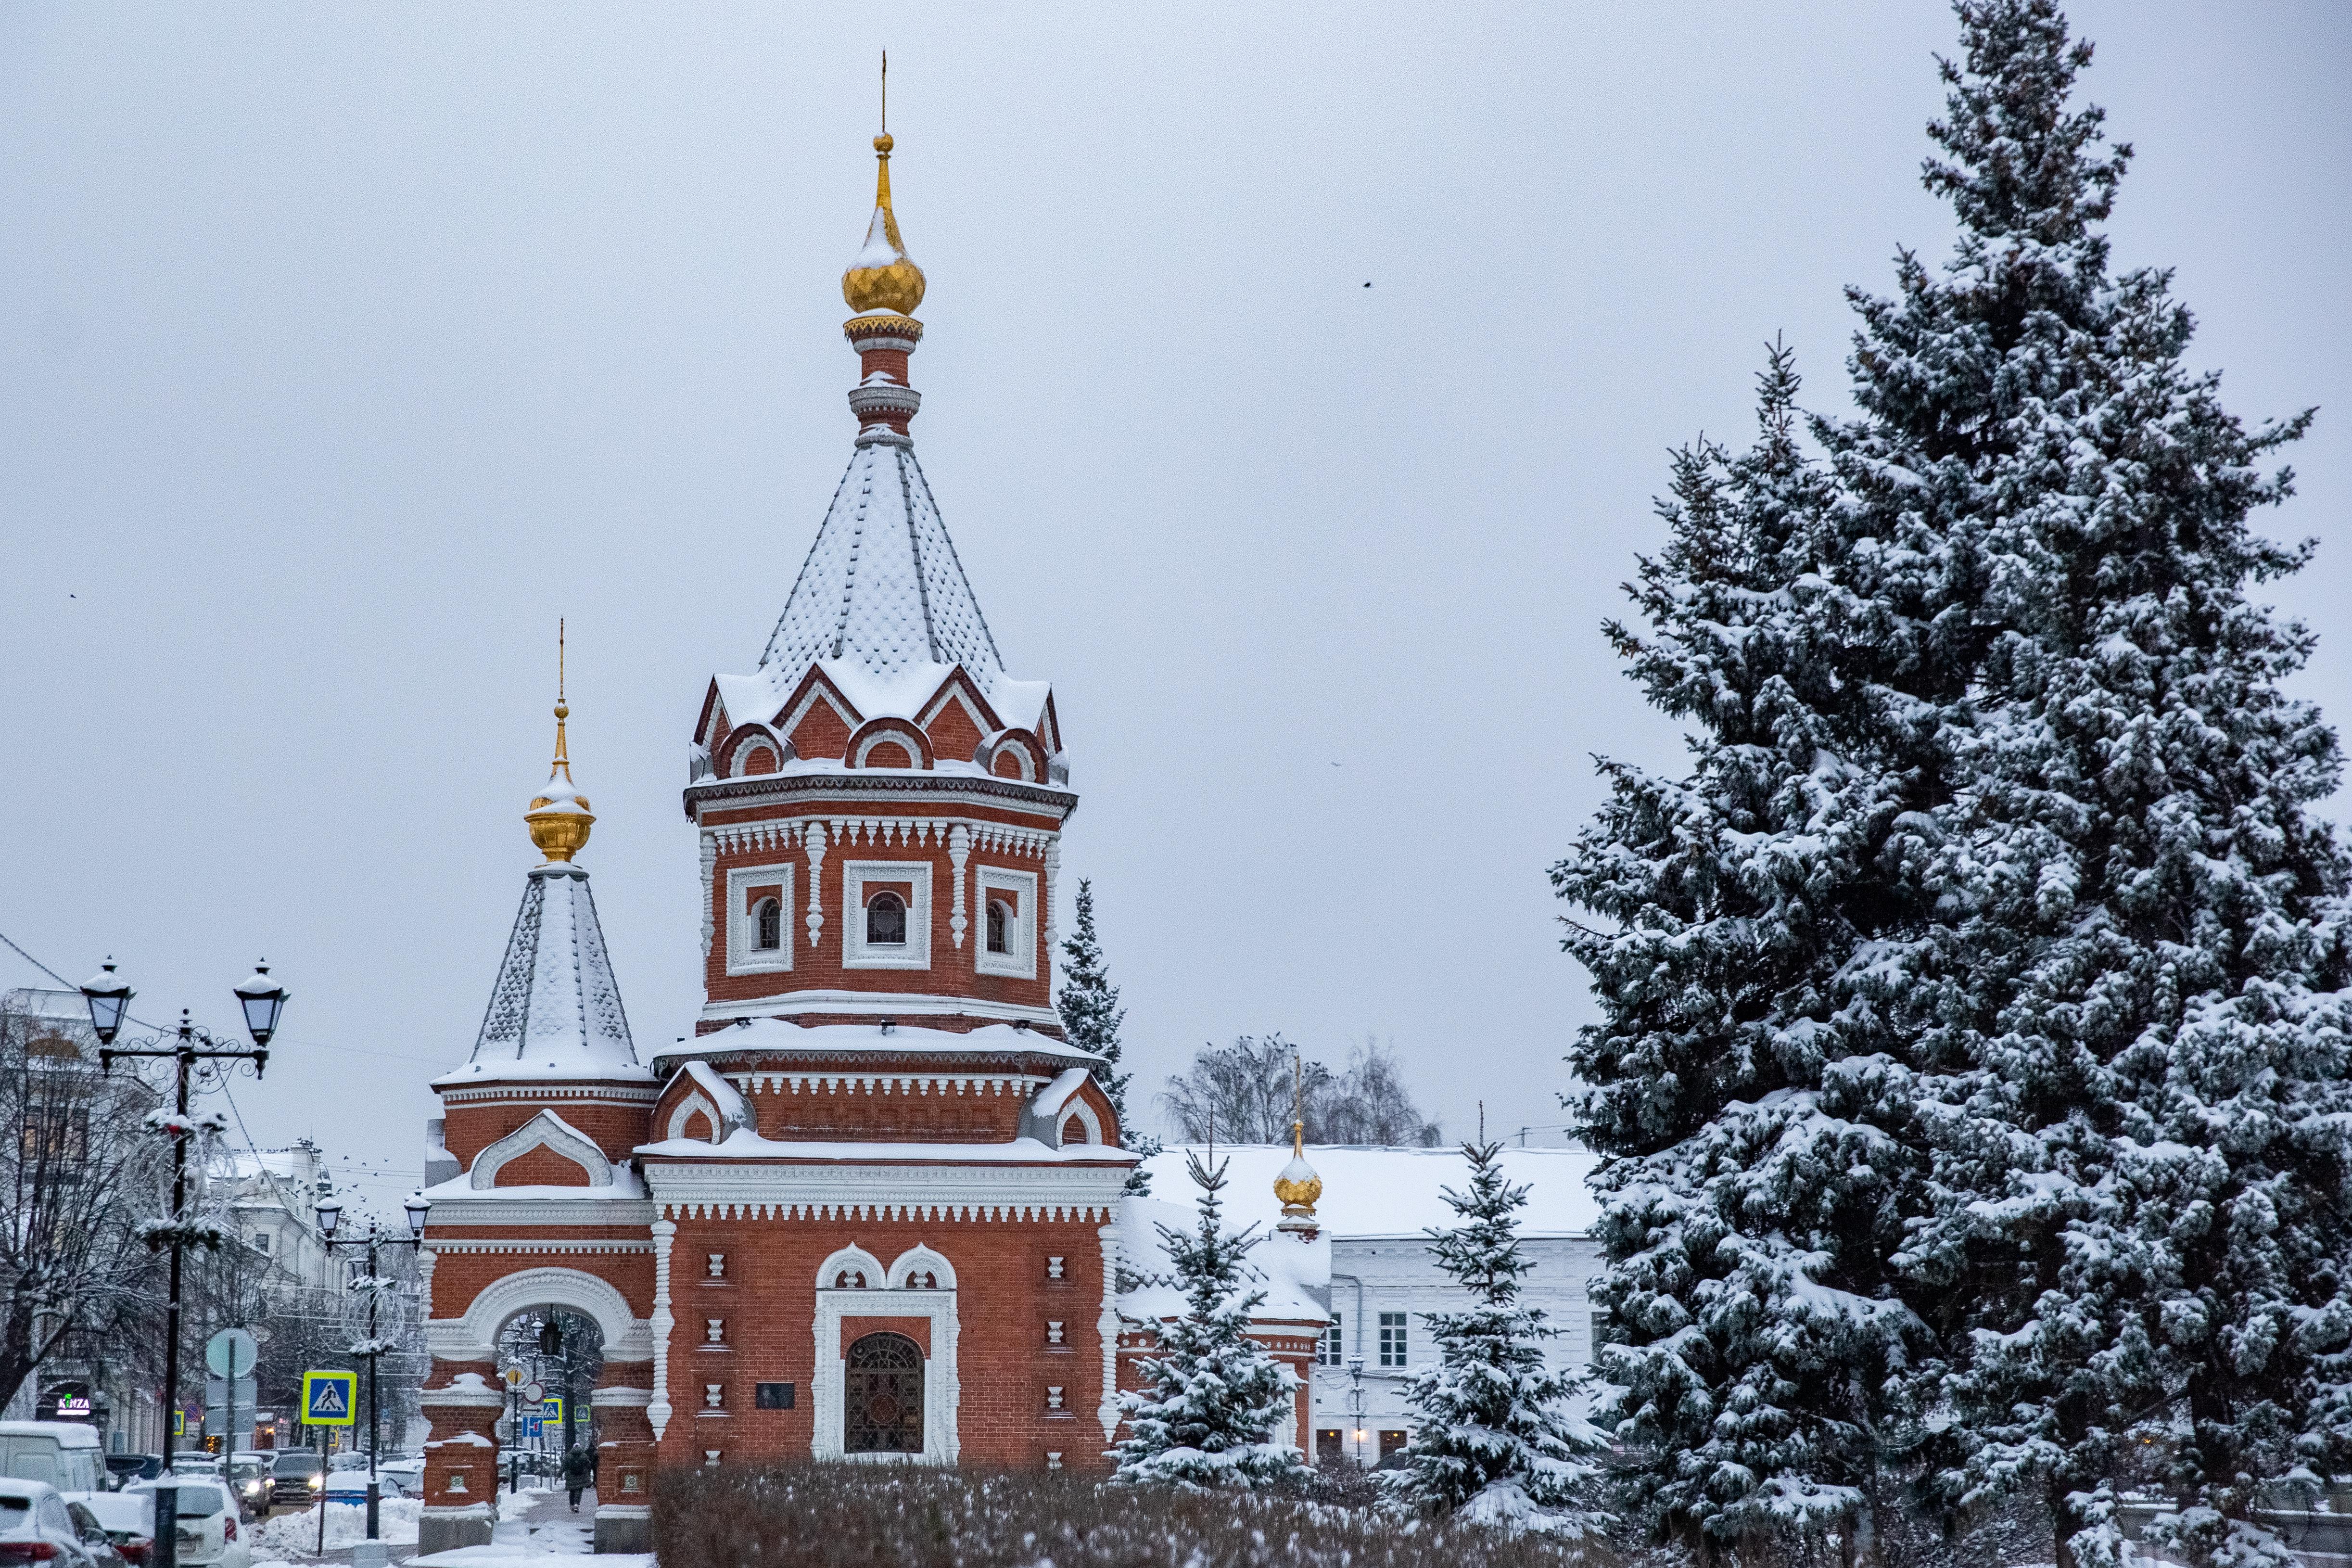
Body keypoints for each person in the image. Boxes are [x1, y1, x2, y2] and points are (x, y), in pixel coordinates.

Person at [561, 1443, 591, 1514]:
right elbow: (589, 1465)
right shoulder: (584, 1456)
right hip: (581, 1476)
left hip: (571, 1477)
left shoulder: (568, 1456)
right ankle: (576, 1504)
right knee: (579, 1491)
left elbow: (564, 1466)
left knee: (572, 1492)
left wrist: (559, 1475)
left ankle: (572, 1505)